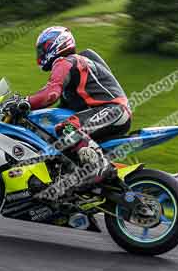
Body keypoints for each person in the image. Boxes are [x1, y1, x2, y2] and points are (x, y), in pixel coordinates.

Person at [11, 26, 132, 201]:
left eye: (42, 49)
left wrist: (25, 102)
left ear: (56, 44)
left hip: (112, 110)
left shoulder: (65, 61)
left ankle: (99, 169)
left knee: (66, 127)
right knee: (58, 129)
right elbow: (58, 109)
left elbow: (50, 94)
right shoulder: (76, 67)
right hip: (110, 112)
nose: (40, 55)